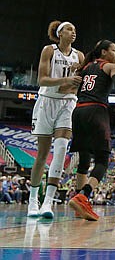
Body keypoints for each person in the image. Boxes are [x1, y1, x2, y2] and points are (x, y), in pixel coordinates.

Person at [67, 39, 115, 220]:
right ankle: (83, 196)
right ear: (103, 52)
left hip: (78, 110)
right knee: (103, 160)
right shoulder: (110, 67)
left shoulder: (86, 67)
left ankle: (79, 206)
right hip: (96, 110)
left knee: (84, 159)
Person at [28, 21, 84, 218]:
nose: (73, 32)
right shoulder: (49, 50)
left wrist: (69, 87)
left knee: (61, 149)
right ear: (60, 34)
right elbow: (42, 80)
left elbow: (78, 85)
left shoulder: (80, 56)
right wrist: (66, 81)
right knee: (42, 154)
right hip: (46, 101)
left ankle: (48, 203)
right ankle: (33, 201)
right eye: (69, 29)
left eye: (75, 30)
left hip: (68, 104)